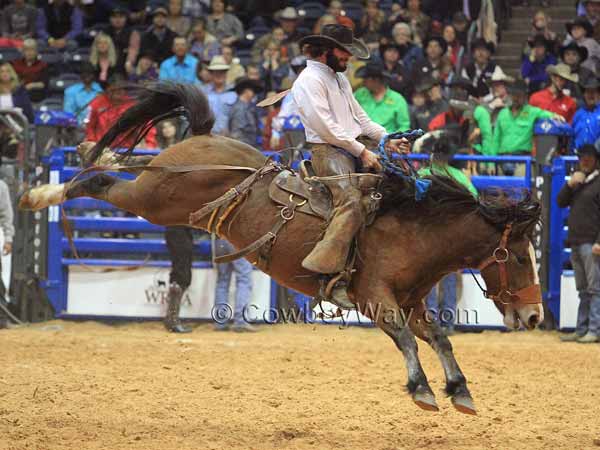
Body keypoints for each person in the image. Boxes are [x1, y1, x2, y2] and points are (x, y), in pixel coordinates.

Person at [291, 24, 406, 307]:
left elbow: (361, 119)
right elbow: (326, 129)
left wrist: (388, 138)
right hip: (327, 151)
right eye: (344, 52)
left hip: (349, 146)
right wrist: (363, 151)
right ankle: (330, 277)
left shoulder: (338, 78)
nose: (348, 58)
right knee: (351, 202)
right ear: (327, 50)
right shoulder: (308, 81)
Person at [418, 135, 478, 334]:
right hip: (451, 235)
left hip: (429, 233)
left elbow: (413, 198)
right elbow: (474, 201)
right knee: (448, 276)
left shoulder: (423, 173)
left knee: (429, 278)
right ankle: (448, 321)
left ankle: (433, 318)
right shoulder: (458, 176)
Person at [557, 143, 600, 343]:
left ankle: (594, 329)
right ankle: (582, 329)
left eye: (588, 157)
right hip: (576, 241)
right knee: (583, 289)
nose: (584, 160)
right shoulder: (578, 181)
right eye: (582, 157)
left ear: (595, 159)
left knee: (594, 288)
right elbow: (560, 201)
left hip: (591, 242)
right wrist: (569, 185)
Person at [491, 80, 556, 175]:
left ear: (525, 96)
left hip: (522, 160)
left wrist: (555, 116)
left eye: (519, 95)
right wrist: (492, 162)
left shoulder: (532, 111)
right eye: (514, 95)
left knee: (521, 186)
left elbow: (548, 114)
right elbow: (496, 140)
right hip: (502, 159)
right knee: (498, 188)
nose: (516, 98)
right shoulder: (502, 113)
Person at [86, 74, 156, 147]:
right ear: (107, 89)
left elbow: (147, 123)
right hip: (102, 149)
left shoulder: (132, 104)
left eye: (120, 89)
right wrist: (92, 143)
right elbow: (89, 127)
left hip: (126, 150)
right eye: (114, 89)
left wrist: (150, 144)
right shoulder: (96, 104)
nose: (118, 91)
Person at [354, 62, 410, 133]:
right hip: (362, 139)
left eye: (366, 79)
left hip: (388, 140)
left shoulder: (397, 99)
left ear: (376, 80)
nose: (363, 82)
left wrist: (393, 139)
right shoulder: (359, 94)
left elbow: (404, 126)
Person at [213, 239, 256, 332]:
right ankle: (240, 321)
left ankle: (220, 321)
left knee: (222, 282)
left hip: (220, 240)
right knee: (243, 280)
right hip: (237, 240)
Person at [204, 55, 237, 135]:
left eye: (222, 71)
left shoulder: (234, 92)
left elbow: (237, 116)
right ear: (211, 74)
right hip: (208, 135)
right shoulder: (203, 92)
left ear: (226, 73)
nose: (219, 75)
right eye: (216, 72)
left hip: (229, 137)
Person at [63, 62, 103, 127]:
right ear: (80, 75)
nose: (87, 75)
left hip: (96, 128)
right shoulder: (70, 91)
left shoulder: (100, 91)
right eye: (84, 73)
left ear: (94, 75)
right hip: (77, 129)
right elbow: (68, 114)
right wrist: (80, 126)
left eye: (90, 73)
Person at [104, 6, 140, 76]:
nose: (117, 20)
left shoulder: (133, 33)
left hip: (124, 65)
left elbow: (133, 49)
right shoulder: (104, 32)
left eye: (121, 17)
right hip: (107, 65)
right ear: (110, 19)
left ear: (125, 19)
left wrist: (129, 61)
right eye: (114, 17)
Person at [11, 39, 49, 103]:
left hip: (36, 95)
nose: (29, 52)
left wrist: (30, 85)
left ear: (36, 51)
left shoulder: (43, 65)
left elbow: (43, 84)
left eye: (32, 49)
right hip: (17, 94)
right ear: (23, 51)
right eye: (26, 50)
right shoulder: (15, 64)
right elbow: (12, 80)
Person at [229, 77, 262, 147]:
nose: (254, 94)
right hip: (242, 145)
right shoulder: (240, 108)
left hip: (246, 144)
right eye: (253, 90)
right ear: (246, 91)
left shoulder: (247, 107)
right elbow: (239, 130)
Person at [0, 179, 14, 330]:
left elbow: (6, 213)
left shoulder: (1, 186)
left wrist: (8, 238)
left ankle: (1, 317)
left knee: (0, 278)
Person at [571, 78, 600, 151]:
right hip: (578, 156)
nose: (590, 95)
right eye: (588, 92)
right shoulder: (578, 114)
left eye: (593, 92)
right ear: (584, 95)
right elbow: (572, 136)